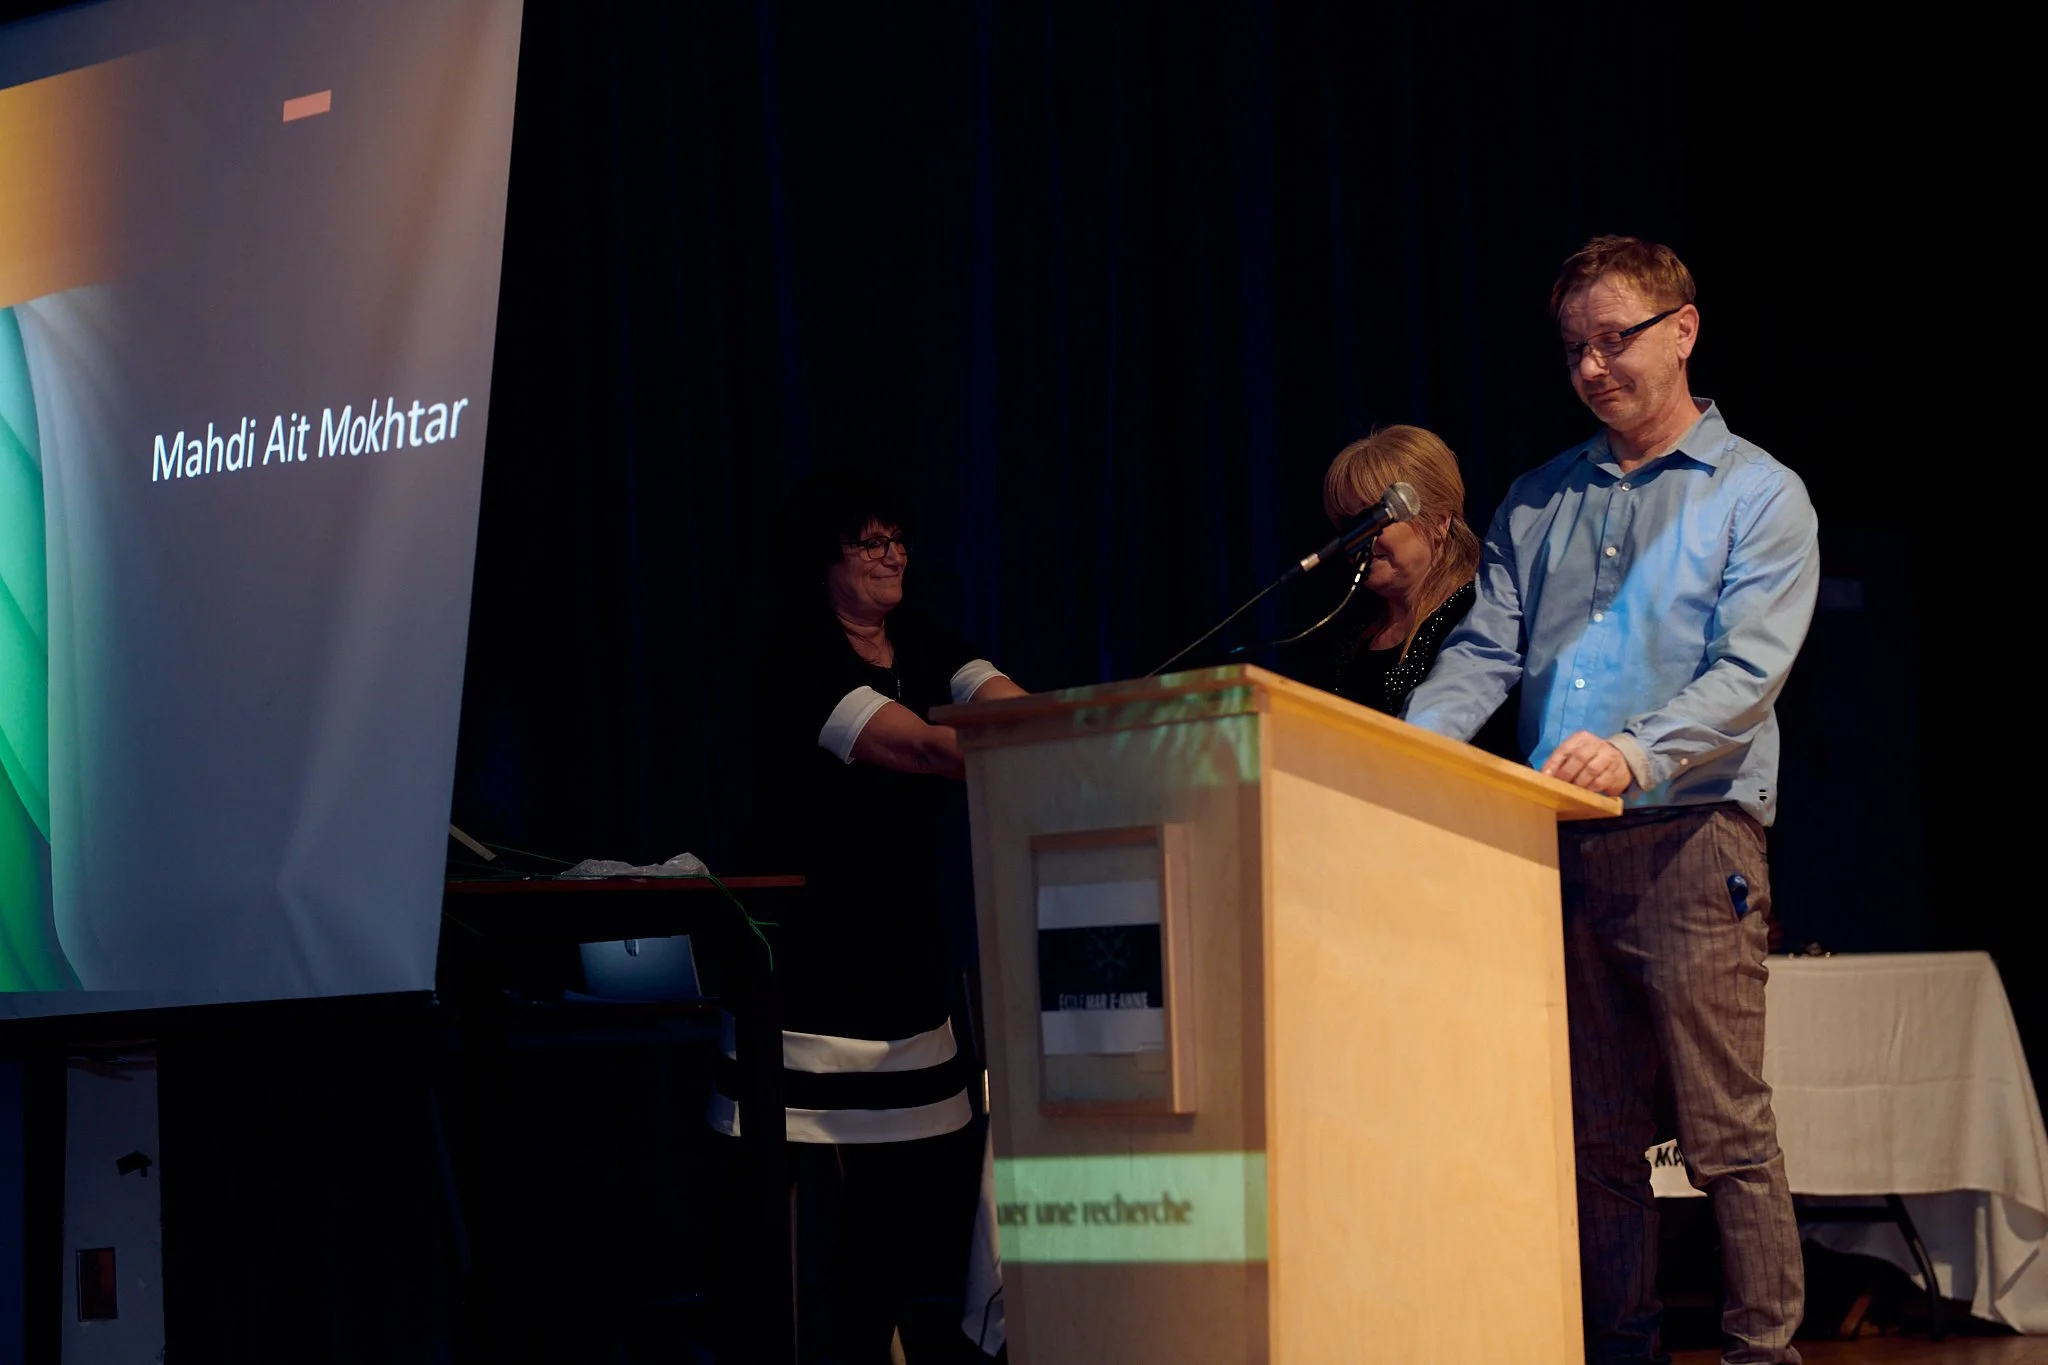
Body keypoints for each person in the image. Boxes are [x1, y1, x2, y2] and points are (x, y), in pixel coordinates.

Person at [1401, 235, 1819, 1365]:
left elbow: (1744, 674)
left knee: (1725, 1133)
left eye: (1612, 340)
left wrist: (1635, 752)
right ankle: (1615, 1347)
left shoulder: (1756, 494)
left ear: (1681, 329)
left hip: (1692, 836)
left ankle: (1759, 1355)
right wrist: (1398, 753)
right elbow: (1483, 652)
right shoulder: (1539, 499)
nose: (1590, 367)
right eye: (1573, 348)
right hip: (1556, 846)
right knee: (1594, 1137)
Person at [729, 468, 1026, 1363]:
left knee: (904, 1196)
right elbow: (928, 748)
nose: (894, 553)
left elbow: (1003, 700)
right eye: (870, 542)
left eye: (898, 538)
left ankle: (874, 1334)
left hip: (903, 964)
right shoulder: (799, 657)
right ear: (826, 561)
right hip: (814, 975)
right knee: (805, 1205)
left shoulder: (923, 639)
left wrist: (1040, 726)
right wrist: (1018, 743)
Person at [1310, 426, 1516, 757]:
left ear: (1440, 520)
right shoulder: (1349, 634)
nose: (1358, 538)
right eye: (1349, 524)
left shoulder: (1482, 621)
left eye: (1376, 519)